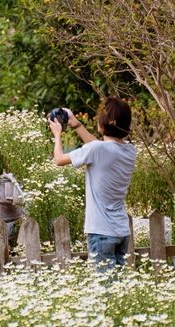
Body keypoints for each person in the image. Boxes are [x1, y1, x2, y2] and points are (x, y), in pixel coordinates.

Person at [48, 97, 137, 272]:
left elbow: (59, 159)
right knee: (117, 288)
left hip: (102, 231)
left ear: (107, 121)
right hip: (121, 231)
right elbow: (99, 147)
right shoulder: (129, 150)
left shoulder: (97, 150)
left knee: (106, 291)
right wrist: (76, 125)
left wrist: (57, 134)